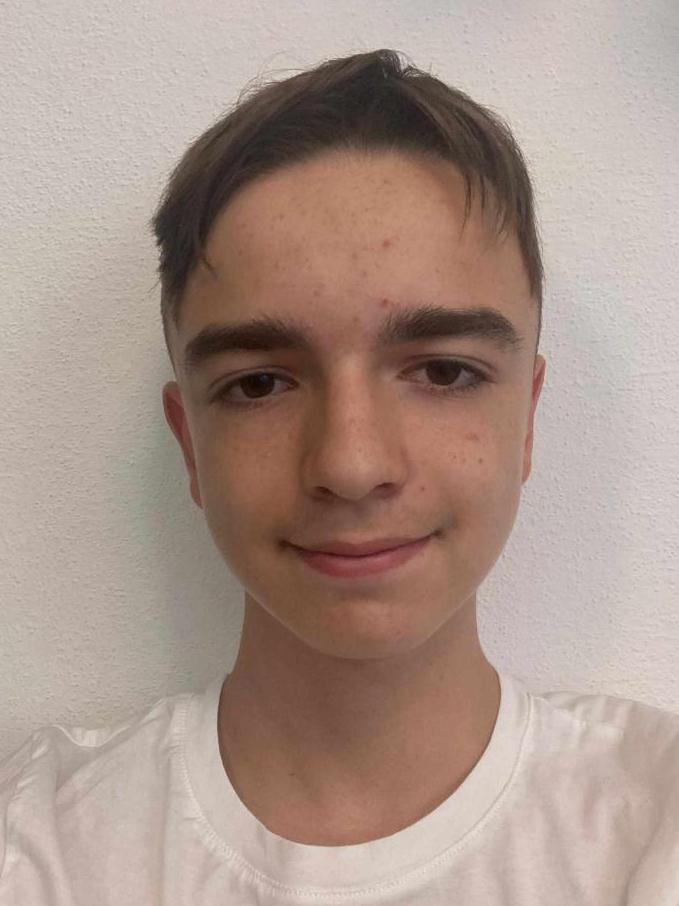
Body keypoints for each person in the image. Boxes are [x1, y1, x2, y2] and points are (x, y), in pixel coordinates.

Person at [1, 48, 678, 905]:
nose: (351, 466)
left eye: (442, 371)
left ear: (528, 419)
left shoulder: (654, 828)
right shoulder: (40, 846)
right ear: (189, 445)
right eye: (259, 384)